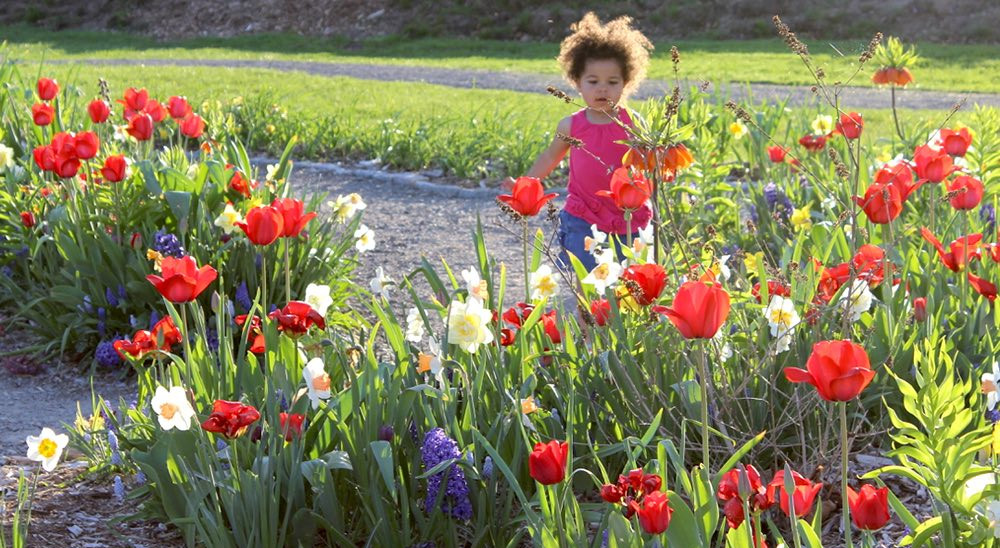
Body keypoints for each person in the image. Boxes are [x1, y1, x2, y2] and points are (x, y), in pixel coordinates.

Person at [509, 12, 654, 272]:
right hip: (584, 215)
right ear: (577, 82)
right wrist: (526, 186)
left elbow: (648, 164)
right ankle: (585, 314)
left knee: (629, 279)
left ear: (626, 83)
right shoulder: (572, 125)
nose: (602, 89)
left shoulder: (633, 123)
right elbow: (550, 157)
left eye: (612, 82)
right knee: (586, 276)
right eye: (593, 81)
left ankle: (618, 315)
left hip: (628, 216)